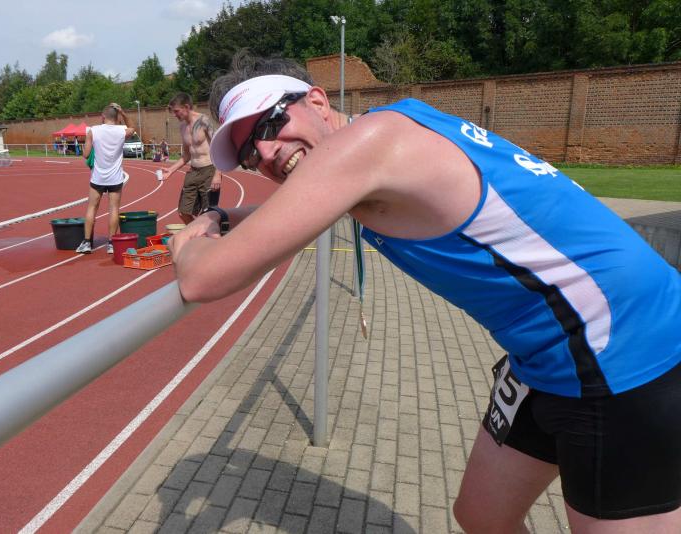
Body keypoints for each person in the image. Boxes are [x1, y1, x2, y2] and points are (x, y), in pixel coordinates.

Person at [168, 53, 681, 532]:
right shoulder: (386, 129)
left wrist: (189, 243)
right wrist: (222, 215)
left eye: (270, 124)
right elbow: (295, 212)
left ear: (318, 101)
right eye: (249, 153)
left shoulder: (365, 146)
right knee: (481, 515)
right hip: (551, 350)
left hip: (621, 345)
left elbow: (202, 280)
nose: (265, 152)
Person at [76, 103, 136, 254]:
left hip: (98, 178)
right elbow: (132, 127)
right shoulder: (122, 131)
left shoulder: (93, 130)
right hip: (115, 178)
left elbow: (86, 155)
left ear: (103, 116)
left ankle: (87, 243)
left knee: (92, 207)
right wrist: (123, 112)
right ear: (117, 117)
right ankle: (111, 243)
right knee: (114, 209)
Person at [163, 93, 222, 224]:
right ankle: (198, 232)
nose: (175, 115)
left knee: (209, 213)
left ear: (186, 107)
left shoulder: (204, 121)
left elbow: (219, 147)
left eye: (176, 111)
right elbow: (186, 155)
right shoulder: (182, 127)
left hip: (209, 170)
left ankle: (210, 235)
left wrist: (217, 175)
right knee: (183, 212)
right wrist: (171, 170)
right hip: (193, 171)